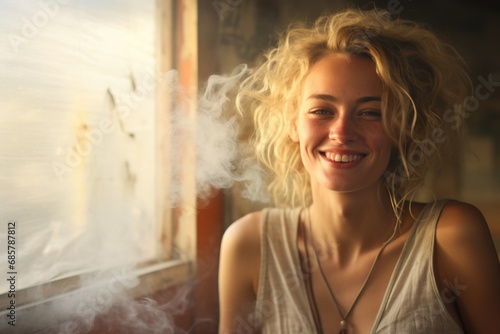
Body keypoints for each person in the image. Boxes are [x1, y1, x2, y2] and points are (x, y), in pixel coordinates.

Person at [218, 8, 500, 334]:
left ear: (402, 127)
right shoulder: (249, 245)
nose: (342, 131)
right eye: (322, 110)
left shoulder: (451, 237)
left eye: (369, 112)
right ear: (292, 124)